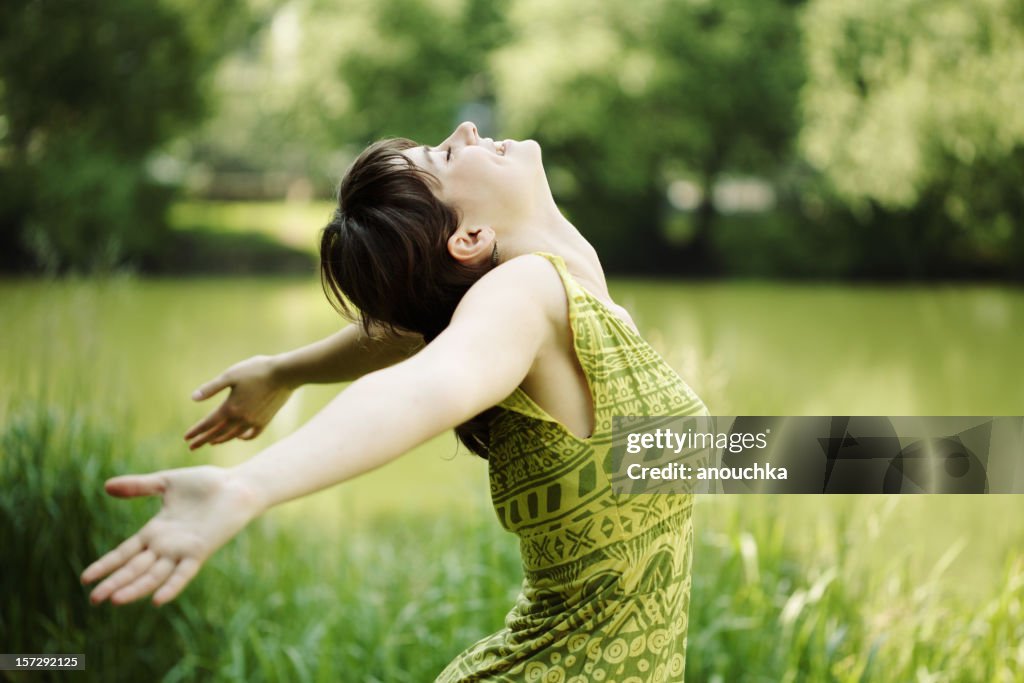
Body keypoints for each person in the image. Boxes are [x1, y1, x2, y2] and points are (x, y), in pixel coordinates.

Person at [81, 121, 709, 682]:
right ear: (469, 236)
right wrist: (247, 486)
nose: (465, 130)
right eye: (443, 154)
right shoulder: (528, 291)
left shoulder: (577, 305)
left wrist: (283, 370)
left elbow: (670, 459)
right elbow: (432, 379)